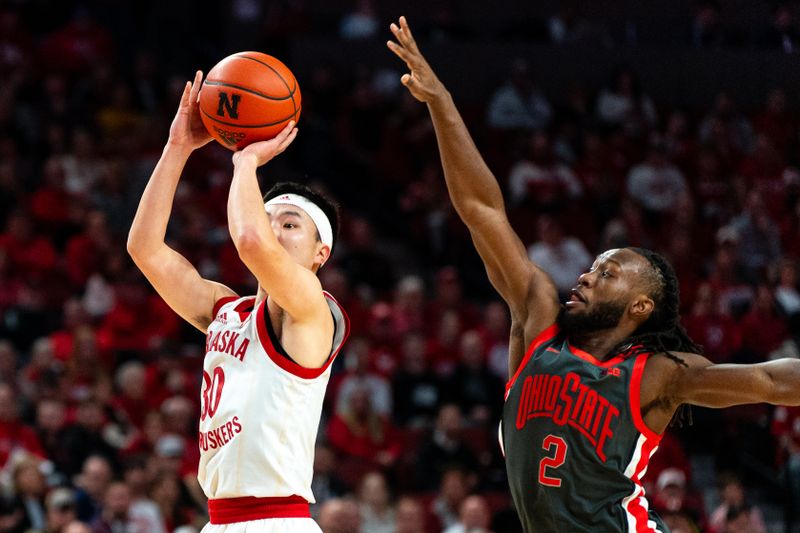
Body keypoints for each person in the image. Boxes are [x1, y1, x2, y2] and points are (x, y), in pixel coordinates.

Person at [387, 16, 800, 532]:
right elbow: (480, 208)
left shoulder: (655, 372)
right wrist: (441, 103)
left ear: (641, 306)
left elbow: (766, 379)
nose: (586, 275)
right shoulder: (539, 320)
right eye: (591, 267)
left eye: (607, 272)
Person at [127, 71, 349, 532]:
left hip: (277, 522)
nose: (272, 229)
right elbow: (144, 248)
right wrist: (178, 148)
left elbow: (249, 240)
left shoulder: (312, 309)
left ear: (319, 254)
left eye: (289, 224)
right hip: (218, 521)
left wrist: (245, 163)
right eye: (268, 218)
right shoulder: (226, 311)